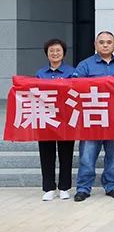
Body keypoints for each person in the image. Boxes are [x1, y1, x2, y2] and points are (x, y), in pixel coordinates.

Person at [73, 31, 114, 202]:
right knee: (87, 156)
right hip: (92, 118)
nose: (105, 45)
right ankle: (83, 188)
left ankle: (111, 185)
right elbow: (75, 87)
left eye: (109, 42)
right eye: (101, 42)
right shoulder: (85, 65)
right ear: (95, 45)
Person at [34, 39, 75, 201]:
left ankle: (64, 187)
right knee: (46, 153)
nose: (55, 53)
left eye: (58, 50)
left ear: (63, 53)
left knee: (66, 153)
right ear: (47, 54)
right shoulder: (40, 73)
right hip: (45, 118)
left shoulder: (72, 72)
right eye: (51, 51)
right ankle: (49, 187)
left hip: (65, 118)